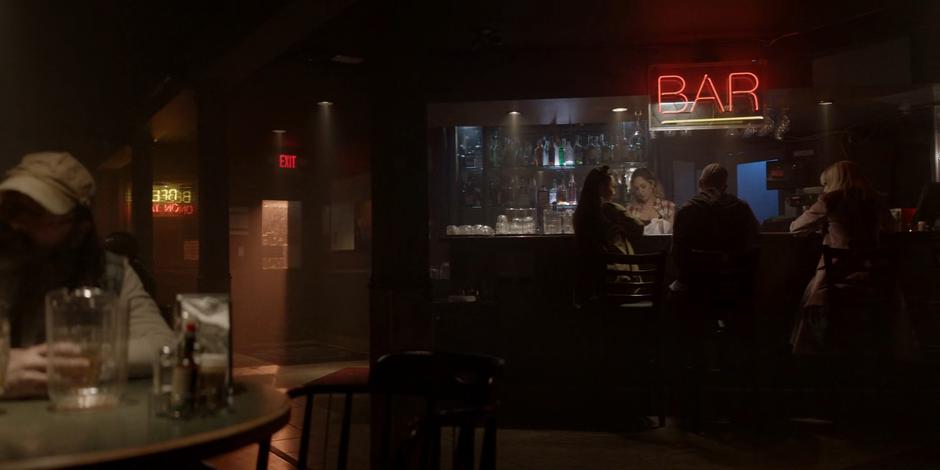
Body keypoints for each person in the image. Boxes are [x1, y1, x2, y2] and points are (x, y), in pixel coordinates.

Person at [0, 151, 174, 398]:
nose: (18, 225)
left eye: (39, 215)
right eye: (13, 210)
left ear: (80, 227)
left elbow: (162, 345)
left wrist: (76, 361)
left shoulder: (111, 272)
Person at [789, 160, 895, 355]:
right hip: (872, 275)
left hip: (836, 274)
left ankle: (810, 355)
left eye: (826, 183)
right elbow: (891, 228)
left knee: (809, 296)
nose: (825, 187)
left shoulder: (831, 200)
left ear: (834, 182)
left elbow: (796, 228)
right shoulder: (874, 200)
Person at [672, 163, 760, 287]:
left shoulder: (686, 210)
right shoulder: (742, 209)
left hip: (694, 285)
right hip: (733, 284)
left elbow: (677, 254)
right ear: (725, 187)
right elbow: (753, 247)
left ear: (700, 183)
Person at [573, 165, 645, 256]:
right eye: (612, 187)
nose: (614, 192)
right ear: (602, 188)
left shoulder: (580, 214)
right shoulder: (610, 209)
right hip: (618, 266)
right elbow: (639, 228)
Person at [626, 167, 675, 233]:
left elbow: (670, 236)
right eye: (636, 189)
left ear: (652, 184)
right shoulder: (631, 210)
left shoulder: (667, 206)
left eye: (643, 186)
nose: (640, 191)